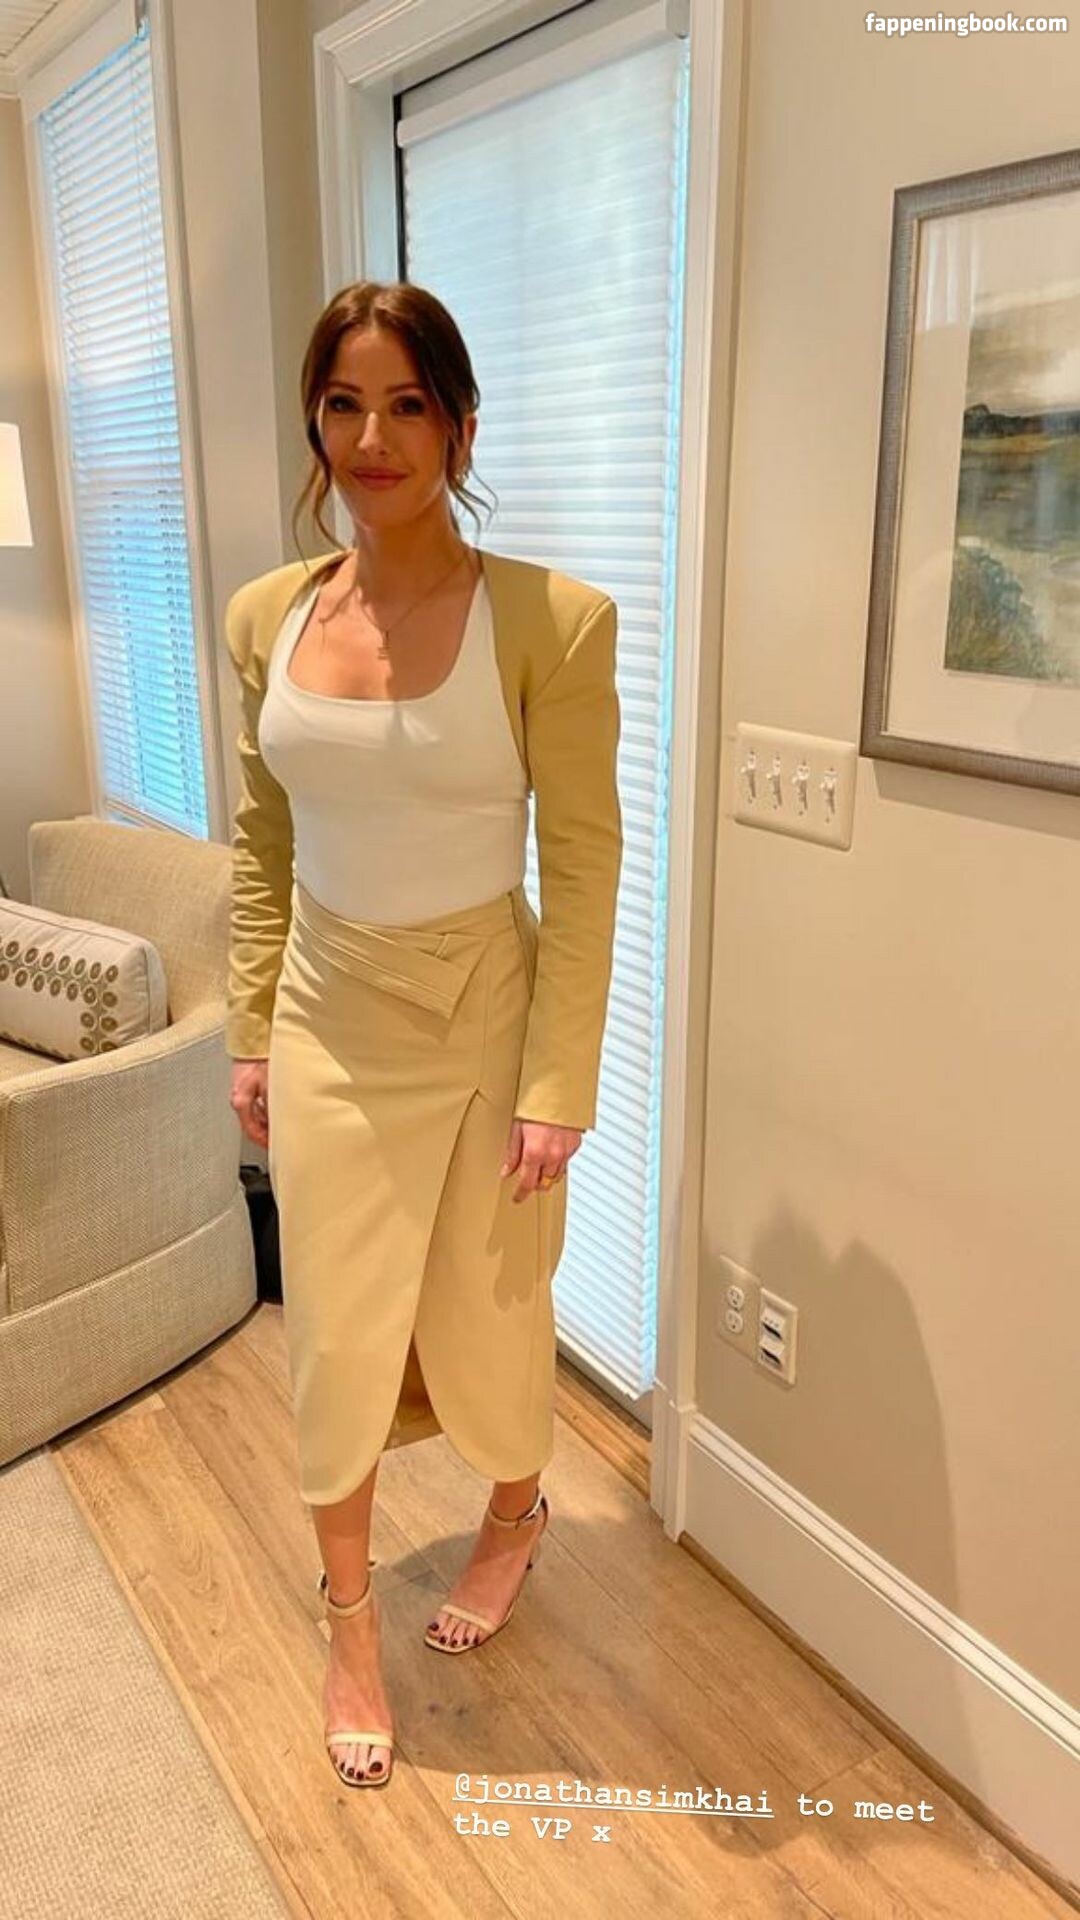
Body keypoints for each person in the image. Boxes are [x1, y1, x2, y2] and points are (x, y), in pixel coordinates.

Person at [224, 280, 622, 1791]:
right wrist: (249, 1031)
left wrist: (558, 1083)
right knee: (333, 1332)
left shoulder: (553, 623)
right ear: (315, 422)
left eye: (407, 404)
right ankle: (349, 1631)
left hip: (483, 1029)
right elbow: (264, 845)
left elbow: (583, 865)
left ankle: (514, 1514)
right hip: (324, 1019)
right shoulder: (267, 616)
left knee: (488, 1315)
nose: (373, 438)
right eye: (344, 404)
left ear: (459, 424)